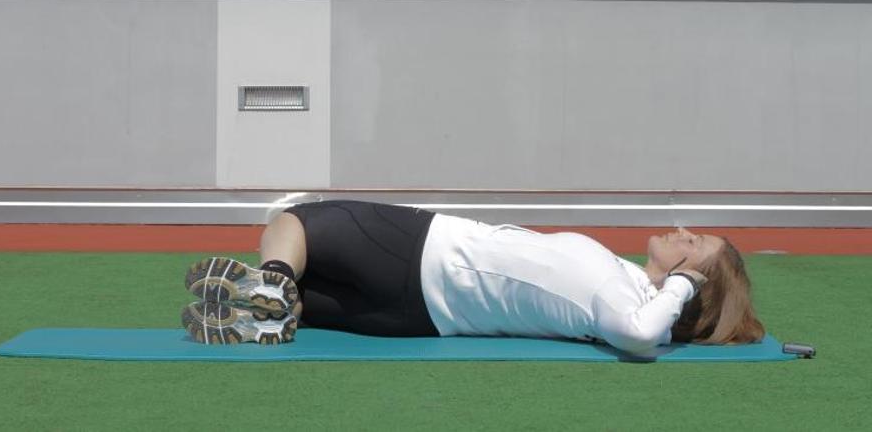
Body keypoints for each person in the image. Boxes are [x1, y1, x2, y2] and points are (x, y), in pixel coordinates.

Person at [180, 200, 765, 354]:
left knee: (296, 223)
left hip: (423, 251)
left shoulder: (621, 301)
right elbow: (647, 326)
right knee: (306, 301)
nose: (683, 231)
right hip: (418, 318)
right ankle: (278, 307)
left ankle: (271, 281)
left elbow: (640, 335)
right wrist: (681, 286)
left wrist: (682, 286)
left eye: (694, 244)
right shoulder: (627, 287)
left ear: (693, 277)